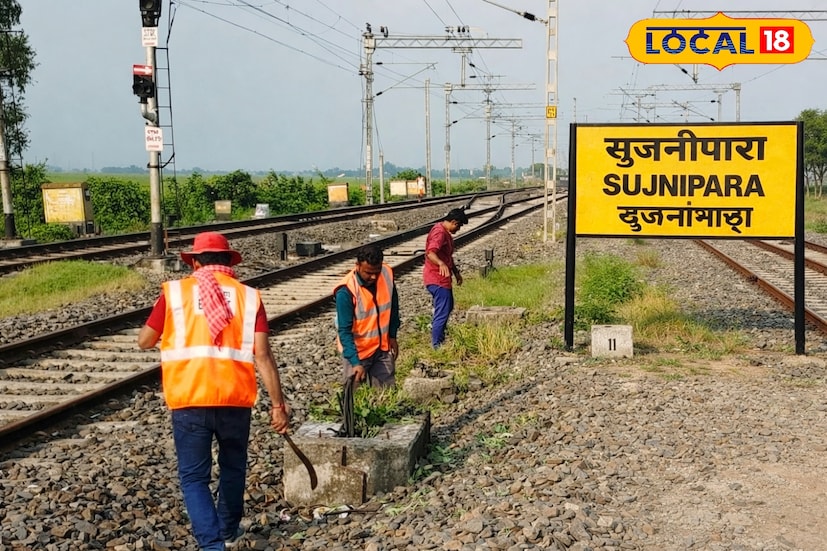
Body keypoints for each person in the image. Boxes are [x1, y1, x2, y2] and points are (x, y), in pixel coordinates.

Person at [137, 231, 290, 551]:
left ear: (193, 261)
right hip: (235, 398)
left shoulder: (175, 294)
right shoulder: (249, 297)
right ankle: (228, 531)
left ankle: (211, 545)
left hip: (190, 398)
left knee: (194, 478)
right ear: (228, 261)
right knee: (233, 467)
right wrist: (277, 404)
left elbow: (145, 340)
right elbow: (262, 354)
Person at [334, 243, 400, 388]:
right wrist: (355, 362)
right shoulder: (346, 292)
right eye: (368, 272)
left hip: (381, 349)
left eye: (377, 271)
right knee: (353, 398)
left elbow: (393, 308)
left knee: (386, 394)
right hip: (357, 352)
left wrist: (392, 336)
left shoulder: (386, 274)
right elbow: (344, 331)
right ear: (357, 266)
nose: (374, 276)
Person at [423, 207, 469, 348]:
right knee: (443, 311)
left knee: (446, 307)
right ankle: (437, 345)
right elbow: (431, 253)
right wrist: (441, 263)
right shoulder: (439, 233)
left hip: (442, 279)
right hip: (437, 278)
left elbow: (447, 256)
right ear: (454, 222)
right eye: (459, 226)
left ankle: (439, 337)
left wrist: (455, 272)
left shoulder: (444, 232)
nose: (459, 229)